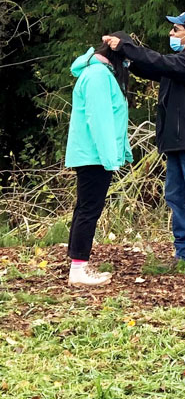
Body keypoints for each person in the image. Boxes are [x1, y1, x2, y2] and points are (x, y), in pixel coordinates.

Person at [104, 11, 185, 277]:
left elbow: (161, 62)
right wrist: (127, 60)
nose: (170, 34)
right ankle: (184, 255)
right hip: (177, 143)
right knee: (177, 199)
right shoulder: (182, 61)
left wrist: (127, 47)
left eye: (176, 30)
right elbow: (154, 67)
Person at [64, 34, 134, 286]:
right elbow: (100, 120)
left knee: (85, 207)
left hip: (92, 155)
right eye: (127, 60)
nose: (128, 66)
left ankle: (77, 263)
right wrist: (110, 159)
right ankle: (79, 269)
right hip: (94, 156)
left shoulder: (99, 73)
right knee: (88, 210)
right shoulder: (98, 77)